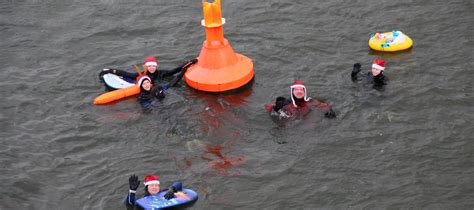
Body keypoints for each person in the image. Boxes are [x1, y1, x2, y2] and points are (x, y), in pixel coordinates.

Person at [100, 56, 197, 85]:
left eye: (153, 66)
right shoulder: (142, 75)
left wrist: (190, 62)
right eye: (149, 66)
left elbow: (175, 70)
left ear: (156, 66)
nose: (151, 68)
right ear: (146, 67)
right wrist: (110, 71)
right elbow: (126, 74)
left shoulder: (161, 73)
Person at [265, 81, 336, 119]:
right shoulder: (284, 103)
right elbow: (267, 107)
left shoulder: (310, 101)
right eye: (296, 89)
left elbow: (324, 106)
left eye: (301, 89)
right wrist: (275, 108)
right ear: (292, 91)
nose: (299, 91)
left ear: (304, 92)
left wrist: (330, 110)